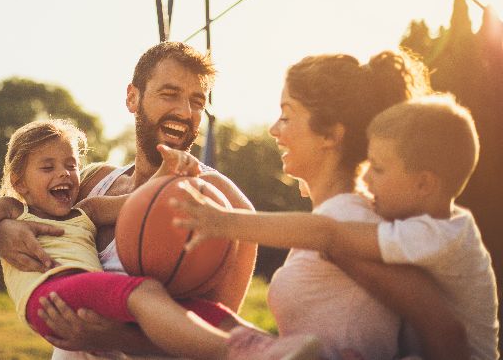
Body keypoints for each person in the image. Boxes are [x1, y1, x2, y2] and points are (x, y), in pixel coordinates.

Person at [0, 118, 319, 360]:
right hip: (51, 298)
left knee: (200, 308)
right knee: (145, 291)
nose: (65, 175)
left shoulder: (87, 211)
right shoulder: (8, 210)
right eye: (48, 167)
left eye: (71, 165)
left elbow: (141, 201)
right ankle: (240, 353)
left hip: (89, 296)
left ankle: (275, 348)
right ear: (19, 179)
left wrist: (177, 169)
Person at [153, 51, 470, 360]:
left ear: (330, 136)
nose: (274, 130)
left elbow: (443, 330)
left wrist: (218, 220)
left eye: (287, 116)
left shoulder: (347, 226)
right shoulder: (341, 218)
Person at [0, 42, 259, 359]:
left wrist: (114, 337)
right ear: (132, 97)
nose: (185, 111)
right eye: (169, 94)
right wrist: (1, 232)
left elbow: (215, 341)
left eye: (197, 101)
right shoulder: (93, 182)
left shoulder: (224, 202)